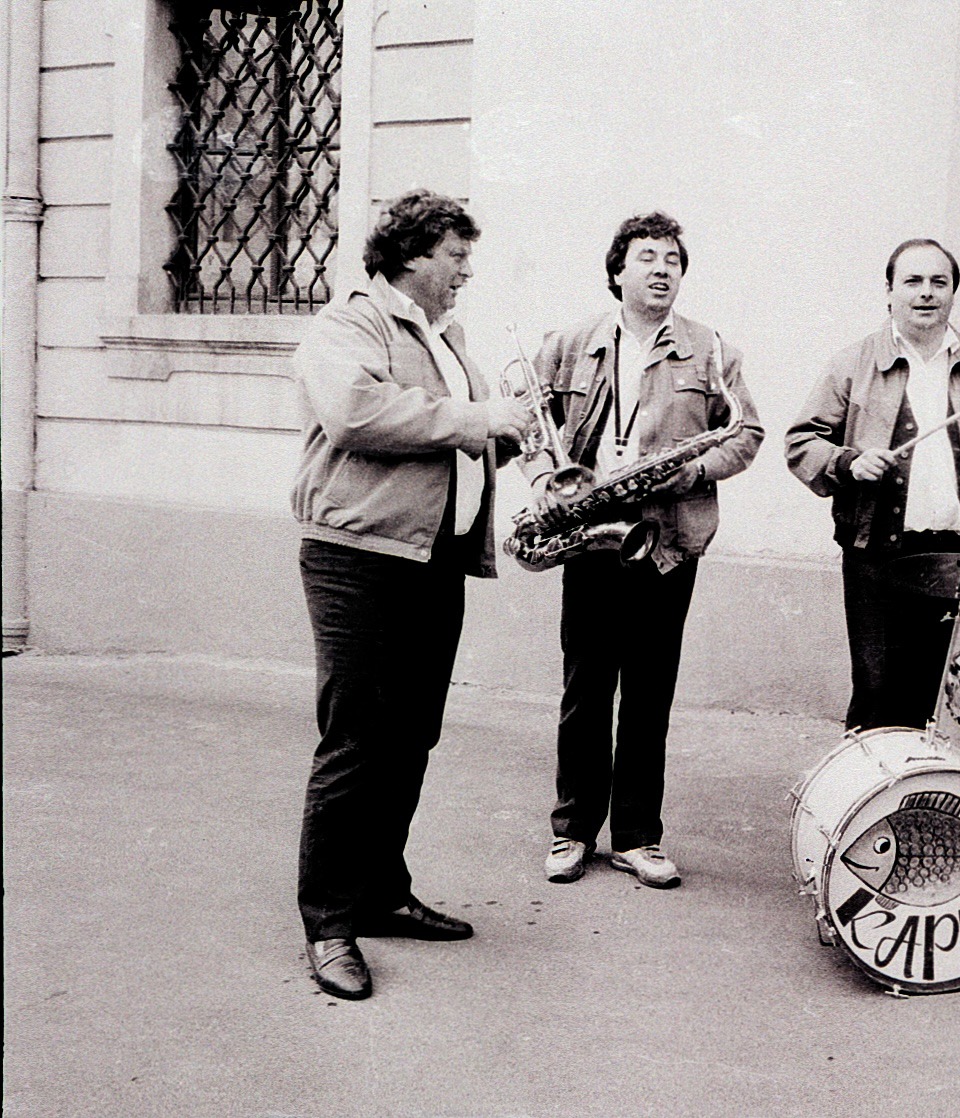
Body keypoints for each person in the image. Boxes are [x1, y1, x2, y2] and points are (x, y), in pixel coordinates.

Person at [291, 189, 536, 999]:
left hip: (434, 559)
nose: (466, 271)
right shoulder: (347, 324)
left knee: (411, 736)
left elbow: (451, 427)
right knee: (356, 739)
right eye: (456, 255)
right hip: (357, 558)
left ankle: (382, 894)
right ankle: (329, 926)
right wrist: (475, 417)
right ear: (412, 254)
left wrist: (508, 428)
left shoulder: (446, 334)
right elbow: (355, 413)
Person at [523, 212, 762, 889]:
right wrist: (545, 482)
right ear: (618, 270)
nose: (662, 269)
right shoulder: (570, 342)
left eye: (674, 260)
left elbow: (746, 433)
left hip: (666, 540)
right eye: (648, 257)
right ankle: (571, 830)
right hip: (592, 533)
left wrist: (693, 472)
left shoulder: (711, 349)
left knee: (650, 691)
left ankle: (637, 836)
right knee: (585, 689)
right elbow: (526, 422)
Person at [785, 238, 960, 732]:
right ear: (889, 291)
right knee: (876, 691)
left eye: (938, 282)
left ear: (953, 294)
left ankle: (907, 803)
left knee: (922, 695)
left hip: (949, 557)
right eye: (913, 281)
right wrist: (848, 463)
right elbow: (800, 443)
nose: (926, 293)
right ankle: (866, 800)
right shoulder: (852, 364)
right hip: (875, 553)